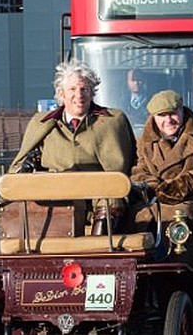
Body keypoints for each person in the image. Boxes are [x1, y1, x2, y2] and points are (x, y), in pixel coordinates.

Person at [11, 60, 135, 228]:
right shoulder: (41, 123)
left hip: (101, 197)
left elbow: (125, 168)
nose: (79, 95)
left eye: (84, 89)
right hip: (55, 196)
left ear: (92, 93)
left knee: (110, 202)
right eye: (72, 89)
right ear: (61, 94)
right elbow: (17, 167)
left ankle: (101, 250)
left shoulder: (113, 121)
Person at [130, 90, 193, 261]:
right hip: (154, 202)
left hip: (188, 201)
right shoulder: (143, 143)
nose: (168, 120)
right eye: (162, 115)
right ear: (154, 117)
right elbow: (139, 172)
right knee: (134, 222)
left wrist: (185, 183)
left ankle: (184, 274)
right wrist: (157, 187)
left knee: (179, 227)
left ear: (182, 112)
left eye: (173, 113)